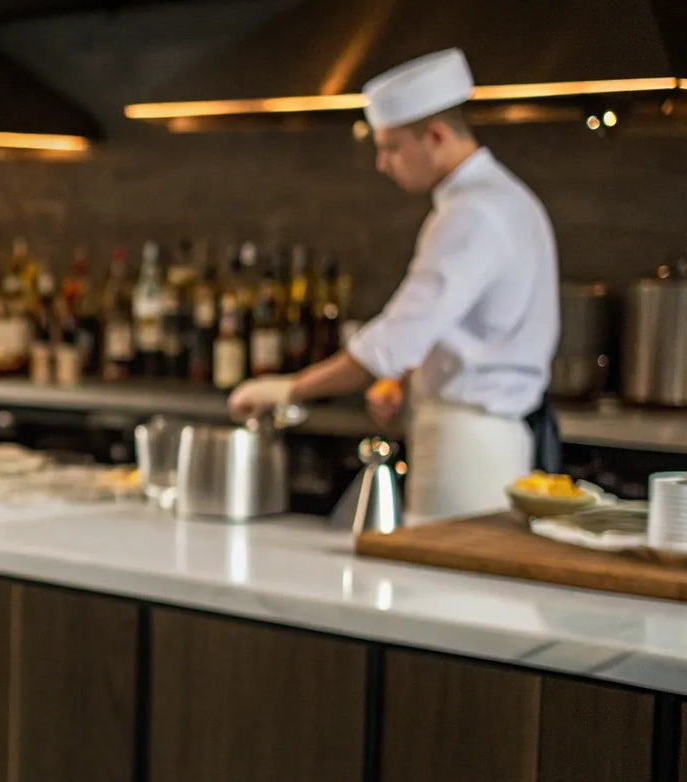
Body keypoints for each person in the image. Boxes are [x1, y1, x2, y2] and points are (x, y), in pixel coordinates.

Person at [228, 48, 560, 523]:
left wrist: (286, 390)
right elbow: (449, 325)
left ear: (436, 135)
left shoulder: (473, 213)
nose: (383, 163)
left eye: (391, 147)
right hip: (477, 436)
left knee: (447, 592)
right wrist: (402, 379)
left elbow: (391, 342)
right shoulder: (499, 200)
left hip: (469, 448)